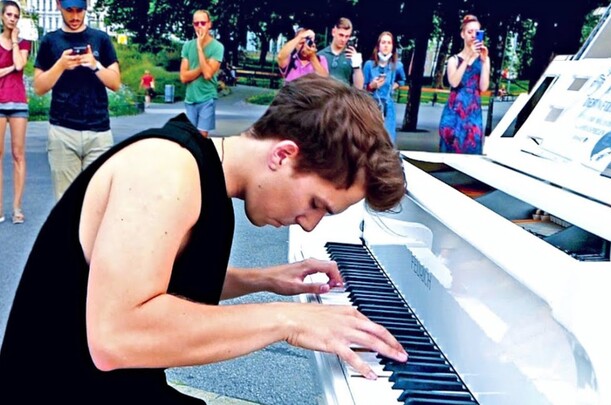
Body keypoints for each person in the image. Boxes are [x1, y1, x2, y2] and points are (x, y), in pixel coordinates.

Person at [0, 74, 408, 403]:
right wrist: (288, 319)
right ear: (283, 155)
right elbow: (115, 335)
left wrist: (265, 279)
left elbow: (158, 278)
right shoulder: (166, 169)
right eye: (316, 203)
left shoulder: (208, 180)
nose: (309, 224)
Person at [33, 0, 121, 201]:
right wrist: (60, 65)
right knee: (66, 203)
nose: (75, 16)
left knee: (97, 201)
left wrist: (95, 65)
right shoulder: (50, 41)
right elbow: (38, 87)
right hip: (63, 131)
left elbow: (115, 82)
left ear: (87, 6)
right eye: (69, 10)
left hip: (98, 131)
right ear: (58, 5)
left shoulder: (101, 39)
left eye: (79, 10)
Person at [438, 14, 490, 154]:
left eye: (476, 32)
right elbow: (454, 82)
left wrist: (484, 61)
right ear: (462, 34)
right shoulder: (454, 60)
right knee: (451, 149)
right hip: (454, 111)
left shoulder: (484, 59)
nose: (473, 35)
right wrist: (467, 57)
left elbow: (483, 87)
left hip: (473, 112)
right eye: (469, 32)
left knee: (472, 148)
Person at [0, 1, 29, 224]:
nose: (12, 18)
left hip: (18, 102)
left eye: (16, 16)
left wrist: (16, 41)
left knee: (18, 155)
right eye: (9, 14)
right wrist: (10, 68)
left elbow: (20, 65)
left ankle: (17, 207)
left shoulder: (24, 42)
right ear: (2, 17)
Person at [180, 9, 224, 138]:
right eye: (196, 23)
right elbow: (183, 77)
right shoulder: (187, 46)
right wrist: (203, 66)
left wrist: (199, 47)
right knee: (189, 136)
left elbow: (208, 75)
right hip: (190, 99)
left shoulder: (217, 47)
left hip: (206, 97)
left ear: (209, 24)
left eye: (203, 23)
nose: (199, 26)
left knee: (201, 137)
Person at [363, 31, 406, 144]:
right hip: (372, 104)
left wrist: (392, 87)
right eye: (383, 42)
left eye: (389, 43)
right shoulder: (369, 65)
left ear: (392, 46)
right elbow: (362, 87)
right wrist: (371, 86)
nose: (386, 45)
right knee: (371, 138)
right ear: (378, 46)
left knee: (388, 138)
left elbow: (402, 80)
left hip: (388, 105)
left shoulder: (397, 66)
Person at [317, 17, 363, 89]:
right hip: (324, 97)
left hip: (344, 98)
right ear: (333, 32)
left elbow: (359, 87)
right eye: (341, 35)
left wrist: (357, 65)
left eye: (347, 36)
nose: (343, 39)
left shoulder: (351, 56)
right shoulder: (320, 55)